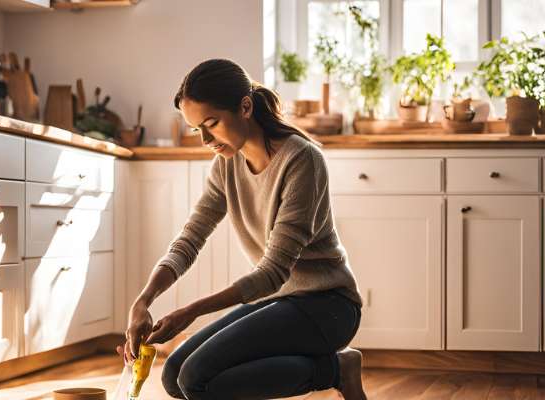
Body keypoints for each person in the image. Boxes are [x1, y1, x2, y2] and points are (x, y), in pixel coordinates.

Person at [116, 58, 367, 400]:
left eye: (212, 123)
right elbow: (189, 239)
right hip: (279, 301)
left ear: (245, 107)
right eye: (196, 129)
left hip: (328, 306)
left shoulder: (302, 160)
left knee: (196, 380)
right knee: (175, 375)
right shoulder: (226, 164)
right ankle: (330, 366)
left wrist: (189, 312)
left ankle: (336, 369)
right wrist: (143, 300)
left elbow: (273, 272)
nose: (205, 138)